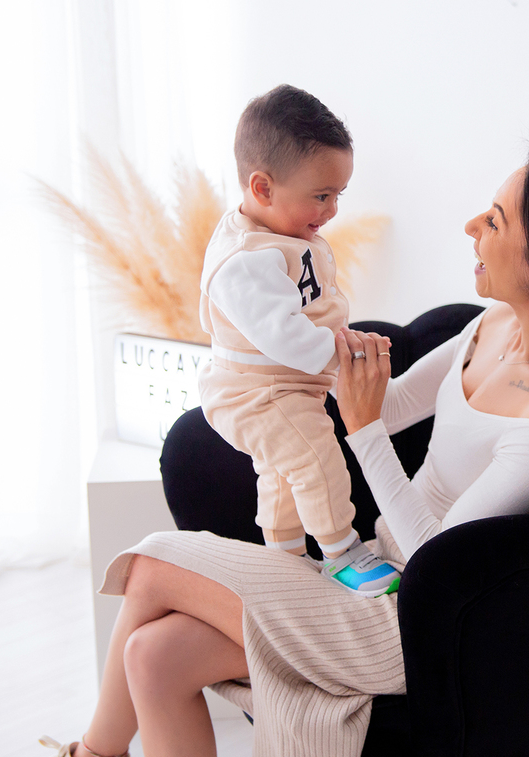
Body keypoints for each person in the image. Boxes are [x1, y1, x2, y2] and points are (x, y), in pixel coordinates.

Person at [0, 147, 529, 757]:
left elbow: (442, 560)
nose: (473, 225)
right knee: (151, 657)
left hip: (414, 623)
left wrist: (362, 432)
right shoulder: (493, 324)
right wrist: (296, 368)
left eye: (496, 221)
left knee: (154, 564)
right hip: (375, 569)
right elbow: (397, 398)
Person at [198, 83, 398, 597]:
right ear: (262, 188)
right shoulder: (245, 261)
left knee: (285, 475)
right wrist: (343, 358)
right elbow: (284, 335)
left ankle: (283, 558)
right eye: (321, 196)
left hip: (284, 384)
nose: (331, 210)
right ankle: (341, 551)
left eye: (337, 195)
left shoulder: (285, 232)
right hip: (257, 391)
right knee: (315, 460)